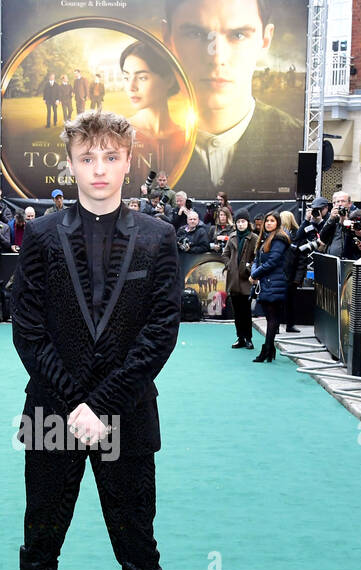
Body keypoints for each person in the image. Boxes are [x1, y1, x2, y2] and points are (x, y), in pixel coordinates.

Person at [0, 107, 191, 570]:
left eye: (110, 157)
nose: (99, 169)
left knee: (138, 547)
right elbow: (27, 328)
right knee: (39, 546)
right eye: (87, 158)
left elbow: (160, 334)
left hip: (127, 416)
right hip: (51, 415)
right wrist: (75, 402)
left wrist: (98, 404)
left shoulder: (158, 239)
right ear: (72, 162)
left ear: (127, 161)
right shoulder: (44, 235)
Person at [166, 0, 298, 198]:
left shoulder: (296, 138)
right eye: (196, 33)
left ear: (265, 40)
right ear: (168, 38)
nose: (217, 57)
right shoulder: (134, 141)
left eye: (238, 35)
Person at [120, 41, 187, 177]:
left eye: (142, 78)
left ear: (168, 80)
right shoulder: (116, 135)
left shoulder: (188, 138)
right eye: (126, 78)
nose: (131, 87)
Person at [250, 210, 296, 361]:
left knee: (272, 318)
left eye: (272, 221)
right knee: (271, 318)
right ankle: (269, 350)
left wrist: (255, 274)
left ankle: (267, 350)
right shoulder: (266, 238)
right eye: (267, 220)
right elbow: (258, 259)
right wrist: (255, 272)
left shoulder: (279, 239)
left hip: (274, 282)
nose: (269, 223)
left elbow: (272, 262)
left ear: (277, 223)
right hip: (267, 282)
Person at [224, 210, 257, 349]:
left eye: (243, 221)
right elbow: (225, 254)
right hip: (233, 280)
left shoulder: (253, 237)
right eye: (238, 222)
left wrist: (250, 267)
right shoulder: (232, 237)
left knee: (246, 312)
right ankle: (240, 337)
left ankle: (248, 338)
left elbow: (257, 256)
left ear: (248, 223)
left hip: (246, 279)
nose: (240, 224)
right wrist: (229, 265)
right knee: (236, 312)